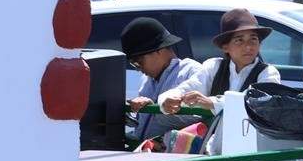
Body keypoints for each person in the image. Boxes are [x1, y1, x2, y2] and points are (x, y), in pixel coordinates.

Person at [159, 8, 283, 145]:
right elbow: (189, 87)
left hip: (250, 153)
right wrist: (169, 98)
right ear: (225, 47)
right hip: (213, 150)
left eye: (253, 40)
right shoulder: (214, 67)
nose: (248, 47)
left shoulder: (268, 73)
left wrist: (211, 102)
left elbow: (254, 102)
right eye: (239, 40)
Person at [120, 16, 197, 147]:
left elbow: (194, 117)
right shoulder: (147, 79)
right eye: (134, 64)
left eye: (138, 62)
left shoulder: (192, 72)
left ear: (159, 50)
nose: (139, 68)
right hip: (145, 152)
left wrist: (156, 107)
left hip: (173, 159)